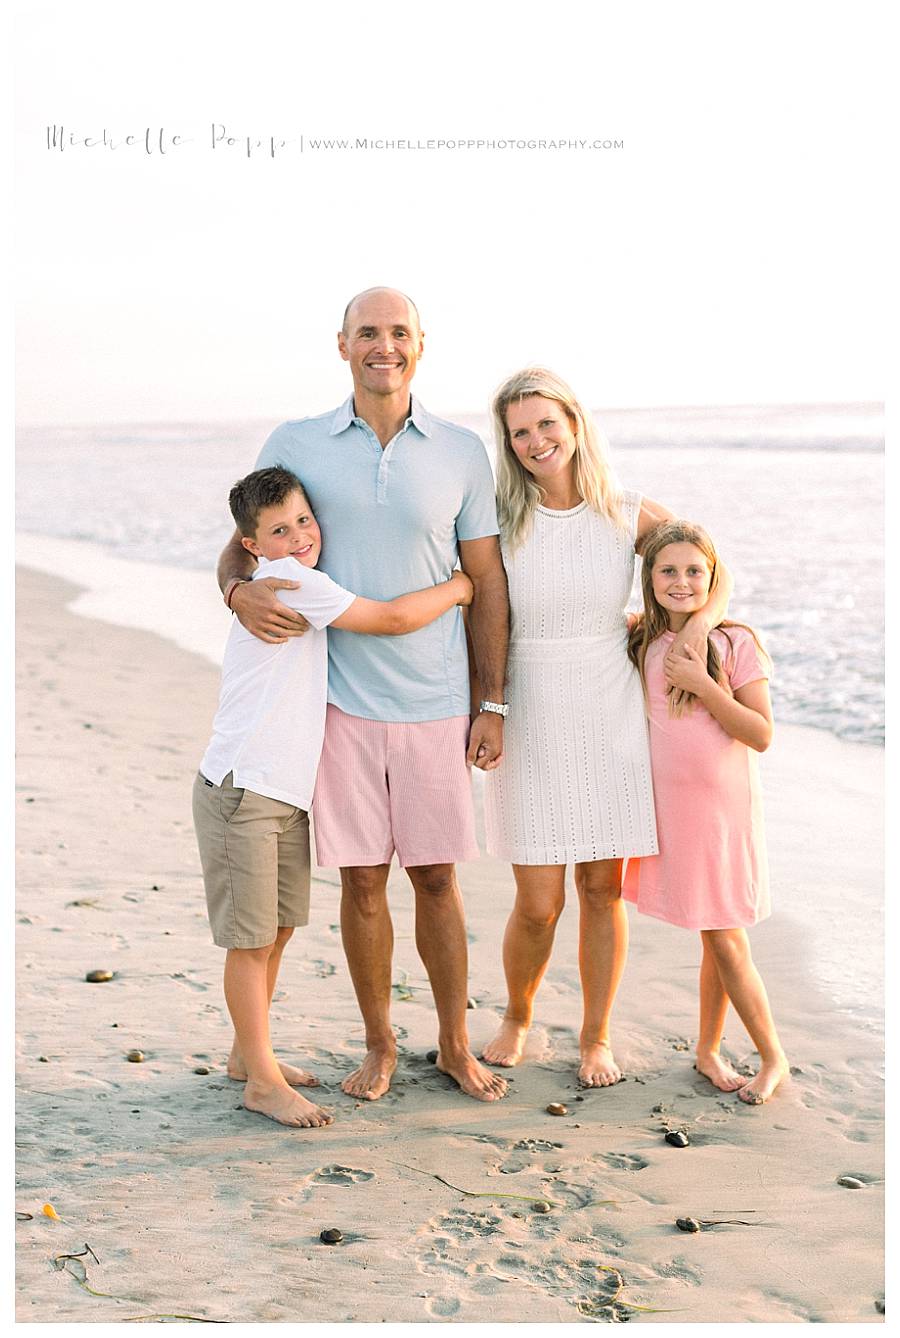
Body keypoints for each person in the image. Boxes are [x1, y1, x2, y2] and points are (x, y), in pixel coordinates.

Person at [215, 288, 510, 1103]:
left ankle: (452, 1042)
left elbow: (484, 580)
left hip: (439, 702)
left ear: (422, 344)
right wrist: (236, 595)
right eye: (368, 333)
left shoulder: (461, 451)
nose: (385, 346)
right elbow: (239, 552)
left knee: (439, 881)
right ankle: (380, 1046)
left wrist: (492, 702)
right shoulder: (298, 442)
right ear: (342, 345)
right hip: (338, 704)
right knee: (361, 884)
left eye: (399, 333)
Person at [194, 466, 474, 1128]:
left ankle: (247, 1053)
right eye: (278, 531)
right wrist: (462, 586)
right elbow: (394, 617)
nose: (298, 536)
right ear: (252, 545)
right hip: (244, 788)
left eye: (303, 520)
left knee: (281, 926)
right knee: (251, 940)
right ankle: (260, 1083)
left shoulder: (286, 575)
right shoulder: (295, 582)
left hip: (279, 790)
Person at [481, 368, 732, 1086]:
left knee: (600, 889)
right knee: (538, 901)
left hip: (608, 710)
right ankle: (518, 1017)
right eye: (520, 430)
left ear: (575, 424)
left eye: (546, 424)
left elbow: (703, 566)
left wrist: (700, 626)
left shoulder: (625, 512)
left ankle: (596, 1037)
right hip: (529, 711)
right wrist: (487, 706)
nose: (536, 440)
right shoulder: (500, 520)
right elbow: (480, 617)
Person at [623, 520, 789, 1104]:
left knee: (724, 935)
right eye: (668, 570)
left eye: (695, 571)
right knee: (712, 933)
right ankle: (708, 1049)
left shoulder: (733, 641)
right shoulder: (640, 640)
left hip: (721, 813)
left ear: (713, 577)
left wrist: (704, 683)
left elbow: (761, 733)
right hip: (671, 812)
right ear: (649, 578)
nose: (682, 581)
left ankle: (773, 1058)